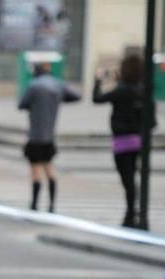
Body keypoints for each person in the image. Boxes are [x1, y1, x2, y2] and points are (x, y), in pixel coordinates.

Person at [93, 53, 151, 228]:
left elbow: (97, 99)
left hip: (122, 141)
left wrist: (98, 81)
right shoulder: (141, 91)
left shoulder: (120, 91)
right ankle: (135, 211)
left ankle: (129, 214)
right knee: (133, 176)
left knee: (127, 180)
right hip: (138, 141)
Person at [18, 62, 80, 212]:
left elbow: (22, 104)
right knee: (49, 168)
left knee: (35, 171)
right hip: (49, 136)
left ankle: (34, 204)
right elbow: (75, 96)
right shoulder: (58, 85)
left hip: (35, 135)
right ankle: (52, 204)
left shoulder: (34, 85)